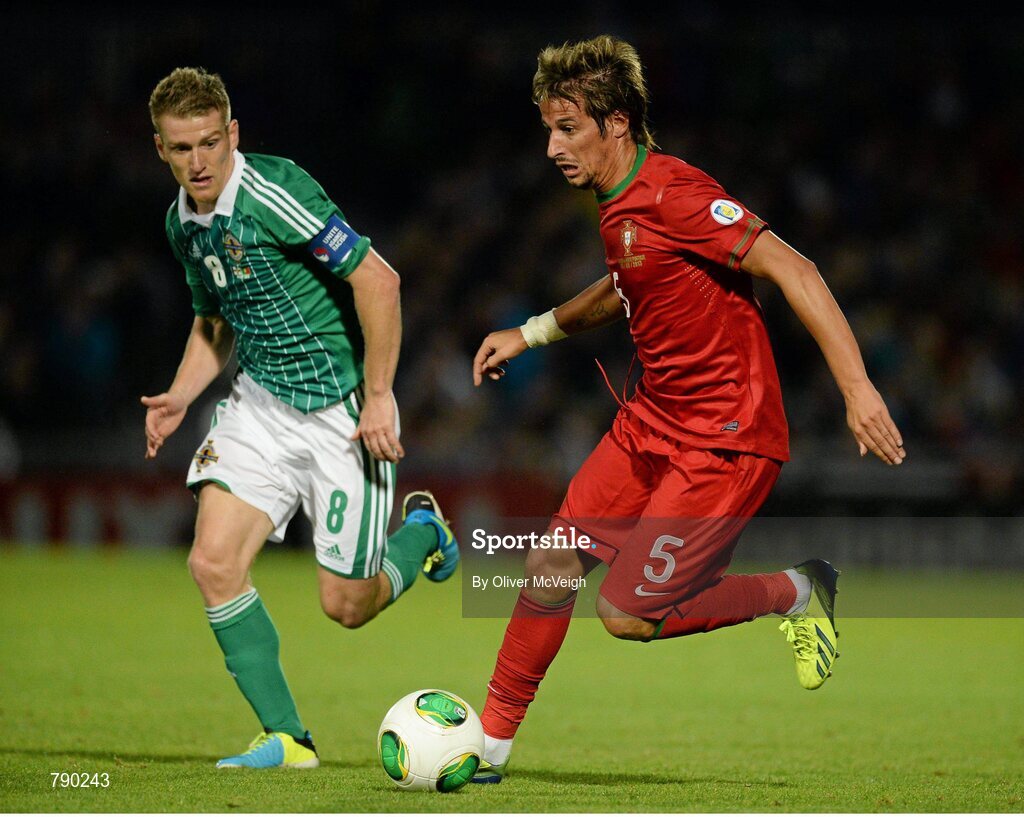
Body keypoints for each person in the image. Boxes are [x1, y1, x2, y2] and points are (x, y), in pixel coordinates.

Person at [470, 35, 905, 783]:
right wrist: (532, 331)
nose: (550, 148)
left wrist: (857, 386)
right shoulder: (616, 204)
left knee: (626, 614)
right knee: (549, 563)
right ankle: (488, 747)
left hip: (725, 440)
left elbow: (793, 266)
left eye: (566, 128)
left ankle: (798, 589)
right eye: (547, 128)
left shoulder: (675, 192)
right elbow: (627, 282)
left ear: (617, 123)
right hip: (651, 423)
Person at [143, 67, 459, 770]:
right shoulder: (181, 221)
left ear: (232, 134)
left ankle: (422, 533)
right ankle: (288, 738)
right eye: (179, 147)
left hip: (341, 413)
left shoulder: (273, 192)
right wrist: (179, 394)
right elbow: (214, 319)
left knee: (346, 605)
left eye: (207, 143)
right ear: (159, 148)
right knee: (212, 562)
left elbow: (379, 278)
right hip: (259, 406)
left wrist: (380, 395)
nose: (196, 161)